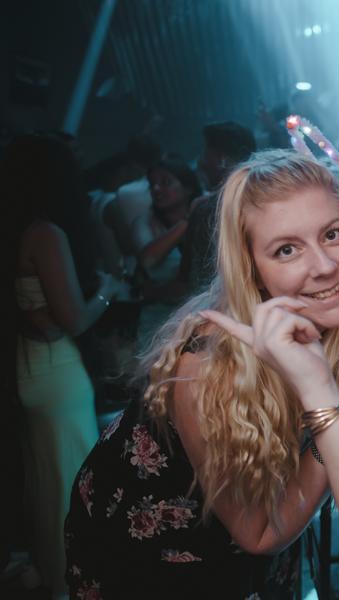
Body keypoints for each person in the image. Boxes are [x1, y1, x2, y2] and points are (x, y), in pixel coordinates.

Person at [64, 151, 339, 598]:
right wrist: (337, 420)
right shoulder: (206, 367)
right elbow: (258, 533)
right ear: (252, 270)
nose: (325, 266)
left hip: (264, 552)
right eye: (287, 249)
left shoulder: (337, 321)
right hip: (161, 564)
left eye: (333, 234)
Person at [4, 134, 130, 598]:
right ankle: (76, 581)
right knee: (73, 483)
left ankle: (55, 573)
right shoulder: (45, 233)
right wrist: (108, 290)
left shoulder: (13, 228)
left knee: (47, 480)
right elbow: (74, 318)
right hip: (57, 373)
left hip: (28, 366)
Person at [180, 121, 257, 294]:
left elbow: (195, 281)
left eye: (205, 154)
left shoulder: (207, 210)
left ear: (222, 159)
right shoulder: (271, 198)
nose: (201, 162)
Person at [133, 156, 201, 347]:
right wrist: (188, 221)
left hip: (202, 317)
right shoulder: (144, 223)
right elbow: (148, 260)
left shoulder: (207, 217)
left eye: (165, 182)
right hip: (160, 324)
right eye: (152, 184)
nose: (156, 189)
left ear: (188, 188)